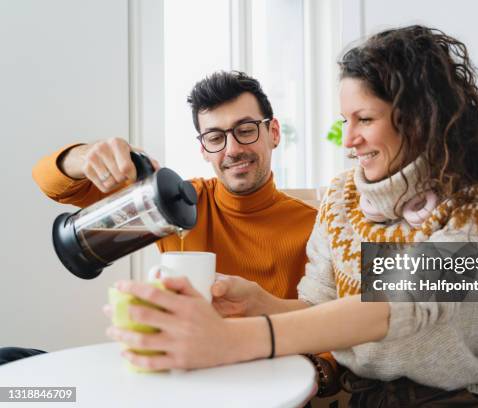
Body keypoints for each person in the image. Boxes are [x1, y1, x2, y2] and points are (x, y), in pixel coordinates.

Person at [106, 25, 478, 406]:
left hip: (461, 400)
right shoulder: (340, 197)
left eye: (364, 119)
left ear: (418, 118)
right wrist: (257, 303)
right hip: (368, 399)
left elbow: (401, 305)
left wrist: (230, 340)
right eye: (345, 119)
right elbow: (320, 308)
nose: (349, 138)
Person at [0, 71, 323, 370]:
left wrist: (317, 369)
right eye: (214, 137)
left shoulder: (328, 225)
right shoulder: (180, 206)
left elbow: (362, 318)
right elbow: (47, 180)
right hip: (180, 369)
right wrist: (86, 157)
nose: (233, 149)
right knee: (10, 361)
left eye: (246, 130)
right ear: (203, 149)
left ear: (274, 132)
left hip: (261, 376)